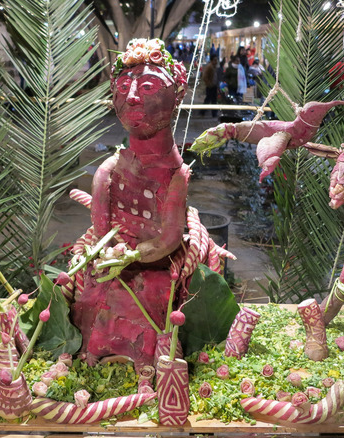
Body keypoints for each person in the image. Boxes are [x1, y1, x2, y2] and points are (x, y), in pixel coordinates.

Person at [70, 39, 231, 367]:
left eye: (147, 86)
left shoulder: (175, 176)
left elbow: (169, 238)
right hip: (113, 262)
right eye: (124, 87)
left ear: (177, 95)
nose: (131, 97)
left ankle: (154, 365)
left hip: (158, 266)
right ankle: (91, 356)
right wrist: (108, 253)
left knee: (155, 295)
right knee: (94, 292)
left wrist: (133, 254)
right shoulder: (108, 173)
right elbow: (102, 230)